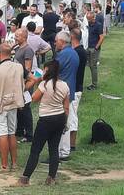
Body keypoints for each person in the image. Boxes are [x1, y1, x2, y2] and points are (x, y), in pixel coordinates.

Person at [17, 60, 70, 187]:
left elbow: (34, 99)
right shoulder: (64, 85)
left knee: (35, 150)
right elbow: (66, 107)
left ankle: (25, 178)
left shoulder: (44, 85)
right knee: (54, 149)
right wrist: (65, 122)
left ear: (47, 71)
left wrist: (39, 81)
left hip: (46, 120)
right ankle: (51, 178)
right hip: (60, 118)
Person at [0, 43, 25, 171]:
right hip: (14, 103)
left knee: (2, 134)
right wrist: (22, 90)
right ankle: (14, 164)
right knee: (11, 133)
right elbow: (34, 77)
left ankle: (4, 166)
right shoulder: (19, 67)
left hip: (0, 105)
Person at [54, 31, 78, 160]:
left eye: (56, 40)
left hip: (62, 93)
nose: (55, 43)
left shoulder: (63, 55)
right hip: (70, 90)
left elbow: (54, 71)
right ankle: (64, 150)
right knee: (66, 122)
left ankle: (62, 152)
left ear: (62, 42)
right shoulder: (74, 53)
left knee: (62, 124)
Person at [13, 28, 35, 143]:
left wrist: (25, 84)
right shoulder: (17, 48)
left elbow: (27, 68)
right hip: (17, 82)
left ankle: (29, 134)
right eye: (15, 35)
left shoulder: (28, 50)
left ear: (24, 37)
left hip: (25, 83)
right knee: (19, 108)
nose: (15, 37)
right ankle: (20, 131)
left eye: (17, 36)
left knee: (25, 108)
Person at [69, 28, 86, 153]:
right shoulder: (80, 51)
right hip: (75, 86)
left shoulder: (78, 52)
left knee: (72, 116)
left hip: (75, 88)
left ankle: (72, 144)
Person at [85, 11, 104, 91]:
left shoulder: (98, 25)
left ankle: (94, 84)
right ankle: (93, 83)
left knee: (93, 66)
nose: (88, 20)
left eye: (89, 19)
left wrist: (96, 48)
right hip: (88, 47)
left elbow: (102, 37)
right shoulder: (89, 24)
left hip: (94, 48)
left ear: (93, 17)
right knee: (89, 65)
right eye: (87, 19)